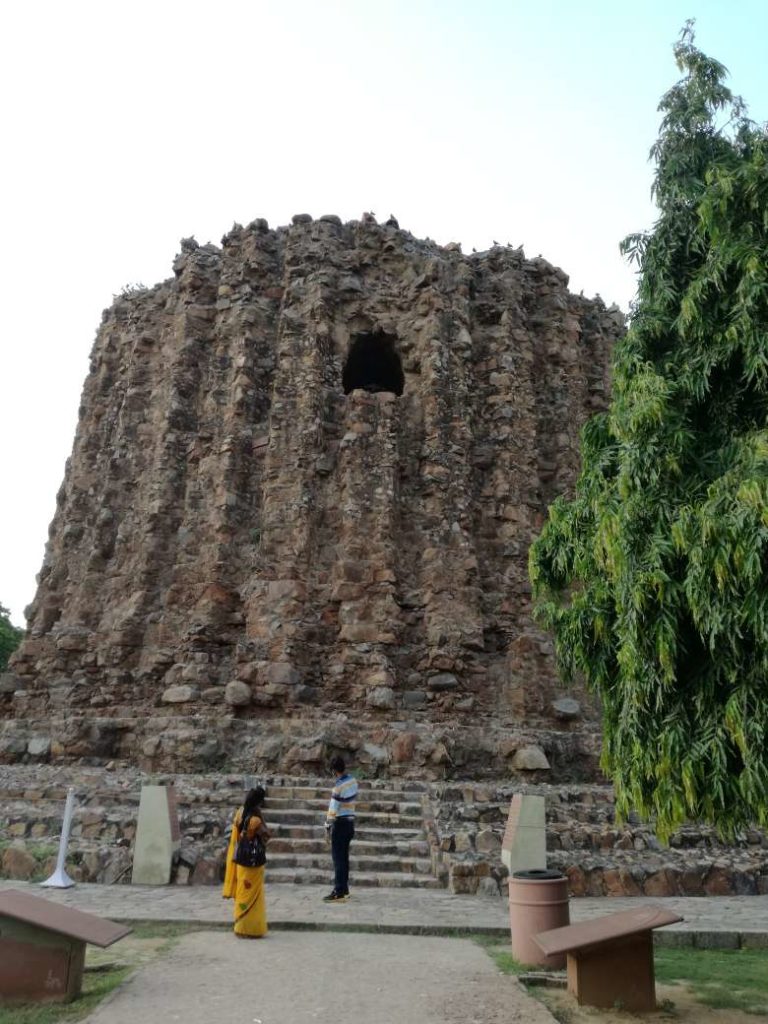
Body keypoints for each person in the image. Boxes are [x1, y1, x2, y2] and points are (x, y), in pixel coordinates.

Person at [222, 786, 270, 937]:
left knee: (243, 893)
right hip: (254, 863)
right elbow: (267, 835)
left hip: (241, 860)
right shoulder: (255, 820)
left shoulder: (239, 813)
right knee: (253, 896)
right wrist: (260, 817)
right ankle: (253, 929)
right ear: (258, 802)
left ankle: (241, 927)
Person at [322, 755, 358, 903]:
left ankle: (339, 890)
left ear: (334, 770)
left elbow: (333, 809)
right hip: (350, 823)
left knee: (338, 859)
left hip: (340, 824)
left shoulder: (338, 787)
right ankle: (345, 888)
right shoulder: (353, 781)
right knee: (344, 858)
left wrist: (327, 826)